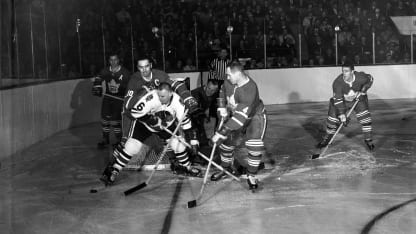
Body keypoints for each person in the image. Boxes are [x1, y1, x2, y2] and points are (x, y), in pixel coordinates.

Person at [100, 83, 201, 185]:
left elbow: (186, 124)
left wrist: (193, 141)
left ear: (171, 94)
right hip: (144, 125)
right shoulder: (151, 97)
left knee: (179, 145)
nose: (160, 98)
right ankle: (115, 169)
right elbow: (134, 113)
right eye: (159, 95)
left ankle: (186, 167)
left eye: (163, 96)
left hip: (165, 126)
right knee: (132, 146)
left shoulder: (178, 102)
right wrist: (151, 120)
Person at [210, 61, 267, 191]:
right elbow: (222, 92)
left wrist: (220, 133)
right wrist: (222, 107)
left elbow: (239, 119)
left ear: (238, 74)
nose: (227, 77)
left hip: (254, 118)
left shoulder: (250, 89)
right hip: (237, 116)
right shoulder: (229, 81)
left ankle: (251, 175)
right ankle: (225, 168)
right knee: (226, 144)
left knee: (254, 146)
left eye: (229, 75)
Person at [122, 56, 199, 143]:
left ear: (150, 65)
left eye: (146, 66)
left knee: (175, 142)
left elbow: (178, 85)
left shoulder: (160, 75)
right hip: (145, 116)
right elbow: (127, 105)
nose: (144, 70)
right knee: (132, 145)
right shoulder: (134, 80)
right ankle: (126, 139)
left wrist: (187, 97)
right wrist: (140, 97)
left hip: (162, 113)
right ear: (137, 68)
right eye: (141, 67)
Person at [317, 63, 375, 151]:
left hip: (358, 100)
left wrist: (365, 88)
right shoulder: (338, 82)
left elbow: (370, 78)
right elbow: (338, 99)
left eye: (346, 71)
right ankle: (327, 139)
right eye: (343, 71)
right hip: (341, 101)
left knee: (366, 119)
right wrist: (342, 114)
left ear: (352, 72)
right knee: (332, 121)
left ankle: (368, 139)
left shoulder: (360, 77)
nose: (344, 73)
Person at [92, 53, 131, 149]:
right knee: (105, 119)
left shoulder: (125, 73)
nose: (113, 62)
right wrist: (97, 85)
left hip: (120, 99)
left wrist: (128, 98)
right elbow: (98, 77)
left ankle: (119, 140)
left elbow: (131, 86)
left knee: (115, 121)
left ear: (119, 60)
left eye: (115, 60)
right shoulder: (105, 71)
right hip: (108, 98)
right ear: (109, 61)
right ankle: (105, 139)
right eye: (111, 60)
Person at [190, 79, 220, 146]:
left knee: (202, 138)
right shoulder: (196, 93)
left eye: (213, 90)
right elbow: (193, 112)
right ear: (206, 86)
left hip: (200, 114)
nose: (210, 92)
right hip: (190, 115)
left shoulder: (214, 94)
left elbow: (209, 104)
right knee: (195, 134)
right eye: (209, 88)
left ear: (216, 90)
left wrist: (207, 115)